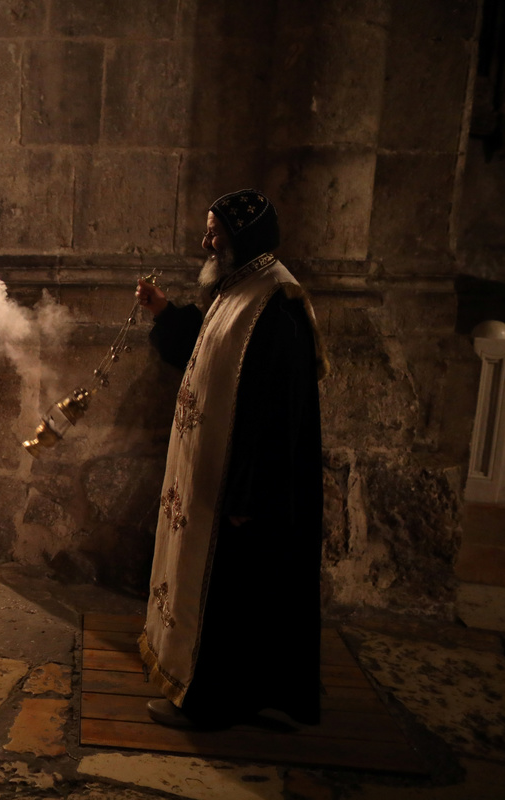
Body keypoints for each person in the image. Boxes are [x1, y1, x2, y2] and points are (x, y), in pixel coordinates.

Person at [135, 189, 326, 730]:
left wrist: (250, 492)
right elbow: (206, 350)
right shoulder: (241, 287)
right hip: (221, 480)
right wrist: (164, 312)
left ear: (243, 236)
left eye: (215, 233)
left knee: (231, 595)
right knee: (234, 594)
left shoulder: (278, 304)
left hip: (242, 490)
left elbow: (276, 411)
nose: (206, 242)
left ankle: (210, 703)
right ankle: (235, 695)